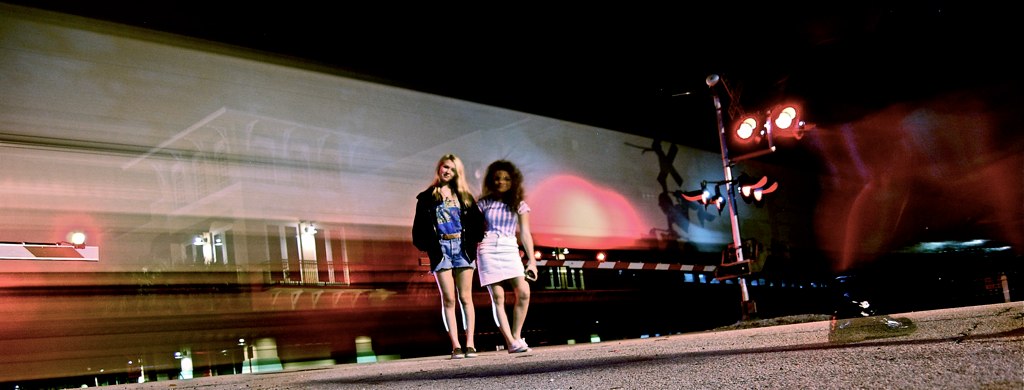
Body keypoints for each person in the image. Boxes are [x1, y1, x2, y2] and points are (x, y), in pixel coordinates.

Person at [412, 154, 484, 359]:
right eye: (445, 167)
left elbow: (479, 224)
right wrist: (428, 246)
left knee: (466, 297)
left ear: (457, 173)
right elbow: (418, 230)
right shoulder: (426, 197)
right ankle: (456, 346)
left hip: (462, 247)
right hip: (441, 248)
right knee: (449, 299)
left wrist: (472, 240)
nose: (447, 171)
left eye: (452, 169)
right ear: (439, 168)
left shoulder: (465, 196)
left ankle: (470, 344)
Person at [476, 160, 538, 353]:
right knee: (498, 297)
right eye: (497, 178)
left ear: (513, 181)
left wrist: (532, 262)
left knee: (524, 291)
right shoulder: (483, 203)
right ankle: (510, 341)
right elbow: (475, 230)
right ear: (491, 180)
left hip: (509, 247)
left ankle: (517, 336)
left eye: (506, 178)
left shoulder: (519, 204)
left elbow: (526, 234)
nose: (501, 182)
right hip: (487, 247)